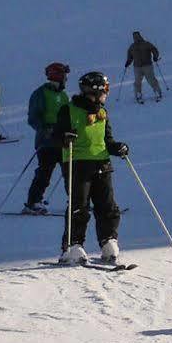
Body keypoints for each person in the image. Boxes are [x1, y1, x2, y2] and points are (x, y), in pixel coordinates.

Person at [52, 71, 128, 266]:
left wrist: (117, 147)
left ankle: (108, 242)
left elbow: (107, 139)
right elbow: (55, 136)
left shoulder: (102, 112)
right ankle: (73, 246)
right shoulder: (68, 110)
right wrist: (65, 138)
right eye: (106, 89)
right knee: (79, 205)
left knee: (107, 205)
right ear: (95, 90)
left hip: (101, 162)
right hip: (77, 162)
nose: (107, 93)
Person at [23, 62, 71, 211]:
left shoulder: (63, 95)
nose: (66, 79)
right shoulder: (41, 93)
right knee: (44, 173)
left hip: (63, 141)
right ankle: (33, 202)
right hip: (47, 142)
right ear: (57, 76)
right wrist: (45, 129)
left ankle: (77, 201)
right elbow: (33, 117)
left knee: (71, 173)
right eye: (64, 76)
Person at [124, 31, 163, 103]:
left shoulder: (146, 44)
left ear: (140, 36)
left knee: (151, 79)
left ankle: (157, 92)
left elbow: (154, 49)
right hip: (137, 67)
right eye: (135, 37)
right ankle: (138, 94)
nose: (136, 38)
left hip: (147, 65)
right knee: (137, 82)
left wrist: (155, 56)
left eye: (137, 36)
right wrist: (128, 62)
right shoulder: (132, 46)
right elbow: (130, 56)